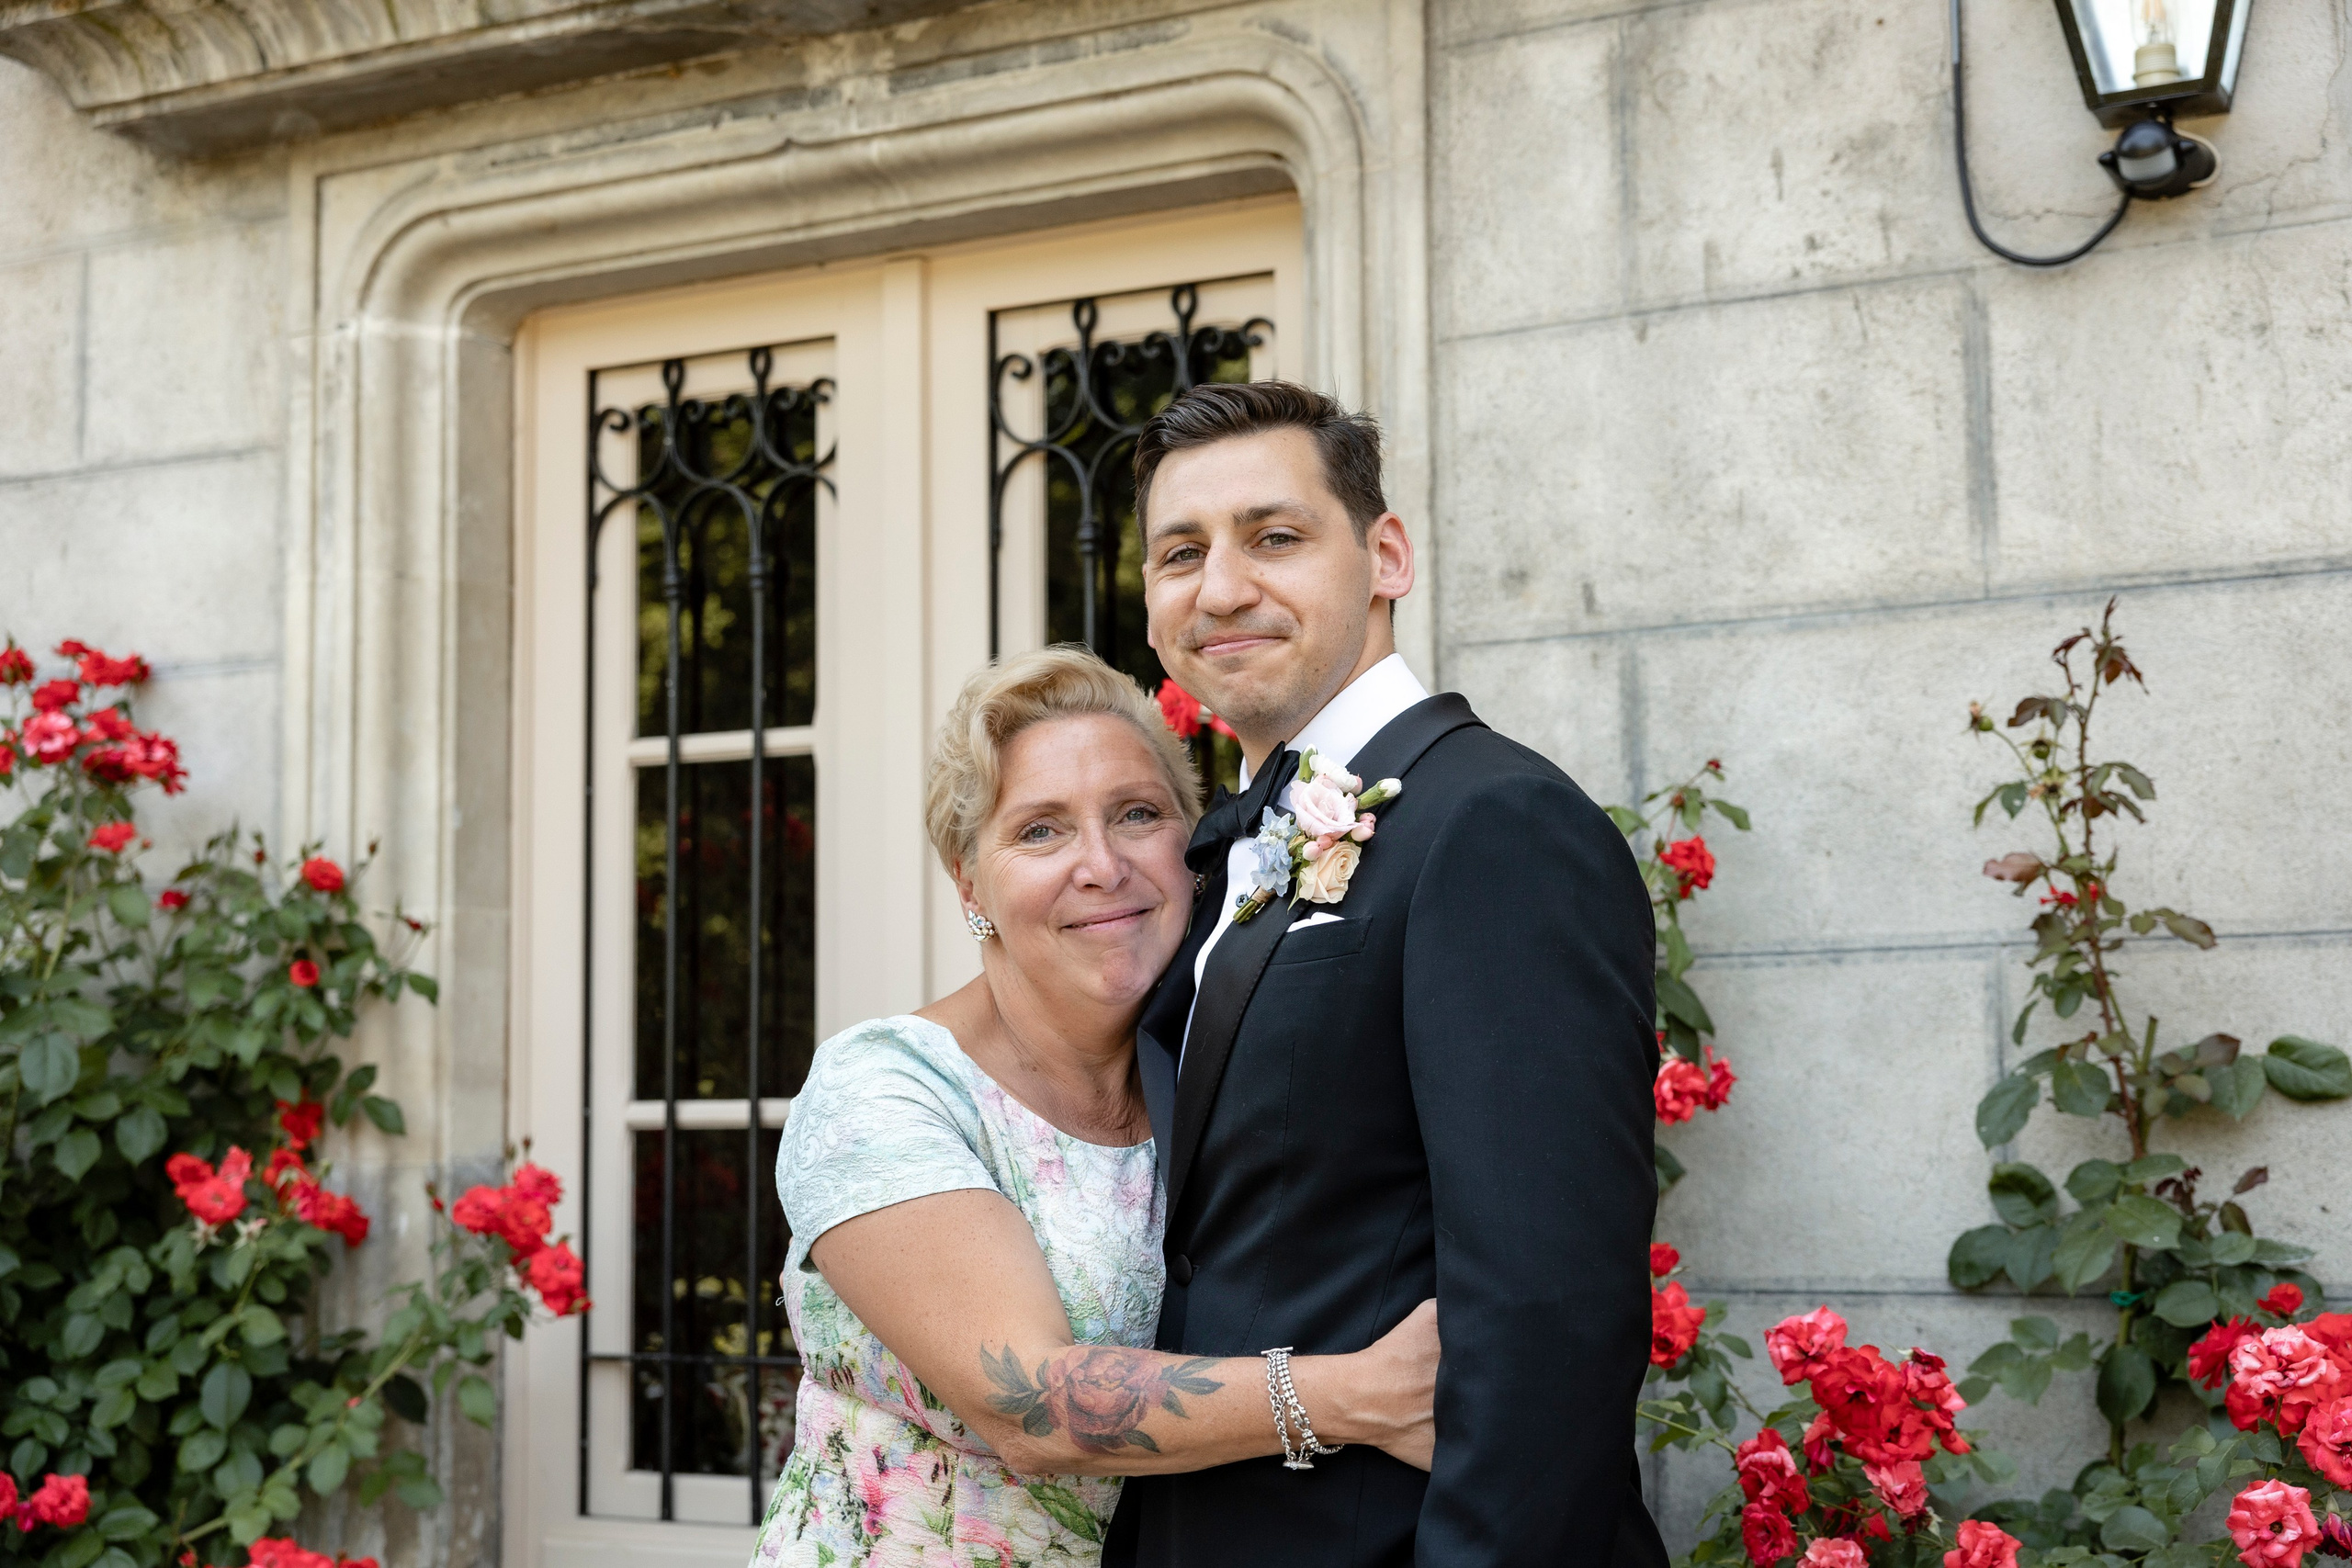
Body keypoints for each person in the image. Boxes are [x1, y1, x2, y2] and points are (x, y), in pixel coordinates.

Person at [1104, 382, 1667, 1566]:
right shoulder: (1222, 856)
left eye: (1274, 537)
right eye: (1179, 553)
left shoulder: (1494, 823)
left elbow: (1546, 1317)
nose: (1219, 588)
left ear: (1386, 556)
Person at [750, 647, 1441, 1568]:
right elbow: (1027, 1407)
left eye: (1137, 815)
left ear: (1194, 851)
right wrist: (1363, 1395)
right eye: (1040, 831)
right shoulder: (883, 1090)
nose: (1101, 864)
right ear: (970, 882)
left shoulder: (1221, 1080)